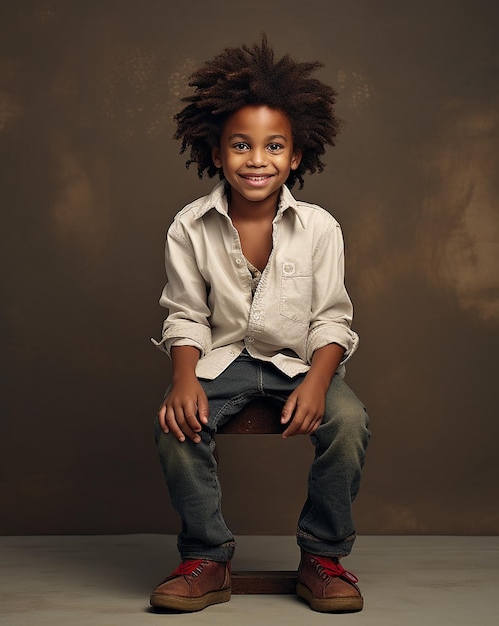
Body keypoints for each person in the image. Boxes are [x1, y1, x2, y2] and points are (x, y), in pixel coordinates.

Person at [150, 36, 370, 613]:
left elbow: (332, 318)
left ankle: (322, 557)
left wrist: (320, 384)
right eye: (241, 145)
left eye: (274, 146)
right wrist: (183, 379)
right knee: (174, 425)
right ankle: (207, 557)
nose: (257, 159)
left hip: (299, 365)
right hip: (220, 362)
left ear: (295, 156)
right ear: (217, 152)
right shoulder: (190, 226)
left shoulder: (320, 228)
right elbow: (186, 313)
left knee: (349, 423)